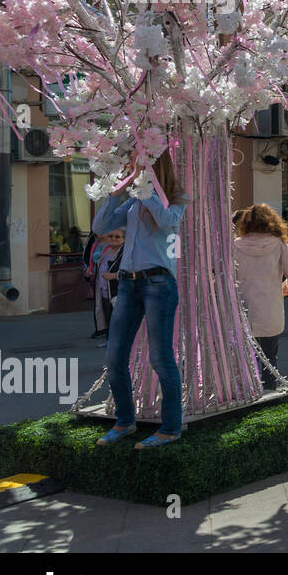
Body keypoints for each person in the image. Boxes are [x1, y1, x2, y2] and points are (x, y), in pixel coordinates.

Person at [92, 151, 189, 450]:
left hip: (159, 283)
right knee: (114, 357)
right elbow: (101, 226)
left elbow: (165, 221)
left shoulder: (176, 197)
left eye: (137, 159)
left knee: (161, 359)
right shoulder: (134, 200)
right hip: (127, 283)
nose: (131, 163)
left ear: (154, 162)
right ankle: (124, 421)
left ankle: (171, 427)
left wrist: (145, 187)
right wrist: (112, 192)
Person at [233, 203, 288, 390]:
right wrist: (287, 286)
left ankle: (249, 394)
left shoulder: (235, 245)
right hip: (270, 307)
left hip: (243, 308)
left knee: (247, 358)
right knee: (270, 357)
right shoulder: (279, 244)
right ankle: (270, 394)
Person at [86, 228, 124, 344]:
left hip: (116, 291)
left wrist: (113, 276)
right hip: (103, 289)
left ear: (124, 240)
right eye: (111, 236)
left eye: (117, 237)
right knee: (107, 315)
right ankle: (109, 339)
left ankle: (117, 341)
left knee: (116, 317)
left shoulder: (124, 253)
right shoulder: (107, 251)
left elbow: (128, 271)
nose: (113, 239)